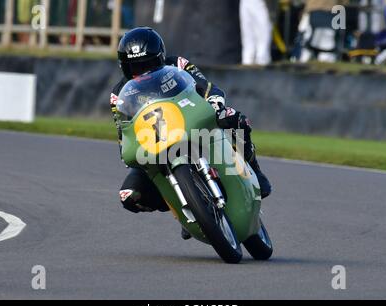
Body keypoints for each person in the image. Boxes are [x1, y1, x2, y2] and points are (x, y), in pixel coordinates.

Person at [110, 27, 272, 239]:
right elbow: (123, 129)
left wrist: (215, 104)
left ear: (160, 57)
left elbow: (206, 87)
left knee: (235, 119)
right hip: (154, 145)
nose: (143, 72)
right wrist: (127, 150)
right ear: (124, 67)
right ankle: (184, 207)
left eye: (148, 65)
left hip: (191, 123)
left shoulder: (177, 64)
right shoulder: (118, 95)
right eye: (135, 68)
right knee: (130, 197)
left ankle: (253, 168)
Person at [240, 0, 273, 65]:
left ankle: (262, 60)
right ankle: (247, 61)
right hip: (246, 3)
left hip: (261, 3)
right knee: (248, 36)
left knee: (263, 32)